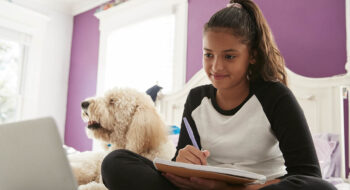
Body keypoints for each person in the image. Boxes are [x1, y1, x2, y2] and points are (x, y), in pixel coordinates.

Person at [101, 0, 337, 189]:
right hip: (202, 188)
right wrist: (181, 162)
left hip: (258, 188)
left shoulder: (275, 96)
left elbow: (308, 174)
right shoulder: (195, 100)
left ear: (252, 55)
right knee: (115, 162)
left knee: (322, 188)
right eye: (208, 55)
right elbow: (180, 170)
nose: (216, 68)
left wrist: (226, 187)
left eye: (229, 56)